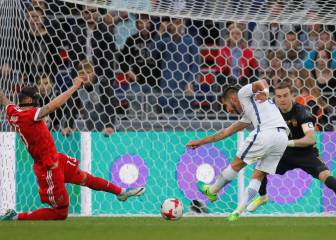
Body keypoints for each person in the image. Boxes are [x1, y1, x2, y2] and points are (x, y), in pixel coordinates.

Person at [0, 75, 145, 221]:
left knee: (86, 178)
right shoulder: (29, 114)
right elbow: (53, 106)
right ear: (30, 100)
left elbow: (4, 100)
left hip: (57, 159)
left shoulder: (13, 112)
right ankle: (17, 216)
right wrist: (74, 87)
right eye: (36, 100)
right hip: (48, 166)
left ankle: (120, 192)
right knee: (60, 213)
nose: (38, 103)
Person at [186, 79, 289, 221]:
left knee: (236, 164)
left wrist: (265, 92)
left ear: (233, 98)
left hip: (267, 132)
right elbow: (224, 133)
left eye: (226, 105)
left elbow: (262, 82)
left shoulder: (242, 93)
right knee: (258, 175)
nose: (228, 110)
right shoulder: (250, 112)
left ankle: (212, 190)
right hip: (282, 137)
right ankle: (238, 211)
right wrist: (200, 142)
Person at [246, 81, 336, 212]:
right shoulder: (271, 112)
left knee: (325, 176)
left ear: (292, 95)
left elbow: (310, 139)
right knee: (259, 170)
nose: (282, 99)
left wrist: (287, 142)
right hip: (283, 153)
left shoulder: (302, 112)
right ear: (275, 97)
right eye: (279, 96)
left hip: (305, 153)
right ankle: (263, 197)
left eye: (285, 95)